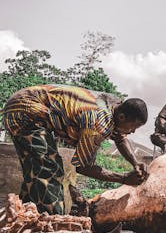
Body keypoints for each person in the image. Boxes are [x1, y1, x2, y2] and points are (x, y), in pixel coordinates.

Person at [1, 84, 148, 215]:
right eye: (134, 126)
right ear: (122, 117)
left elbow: (120, 137)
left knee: (37, 171)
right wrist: (123, 178)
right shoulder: (97, 123)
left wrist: (135, 162)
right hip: (24, 110)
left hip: (26, 105)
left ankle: (24, 215)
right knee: (48, 168)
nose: (133, 131)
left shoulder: (115, 105)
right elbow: (84, 167)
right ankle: (52, 222)